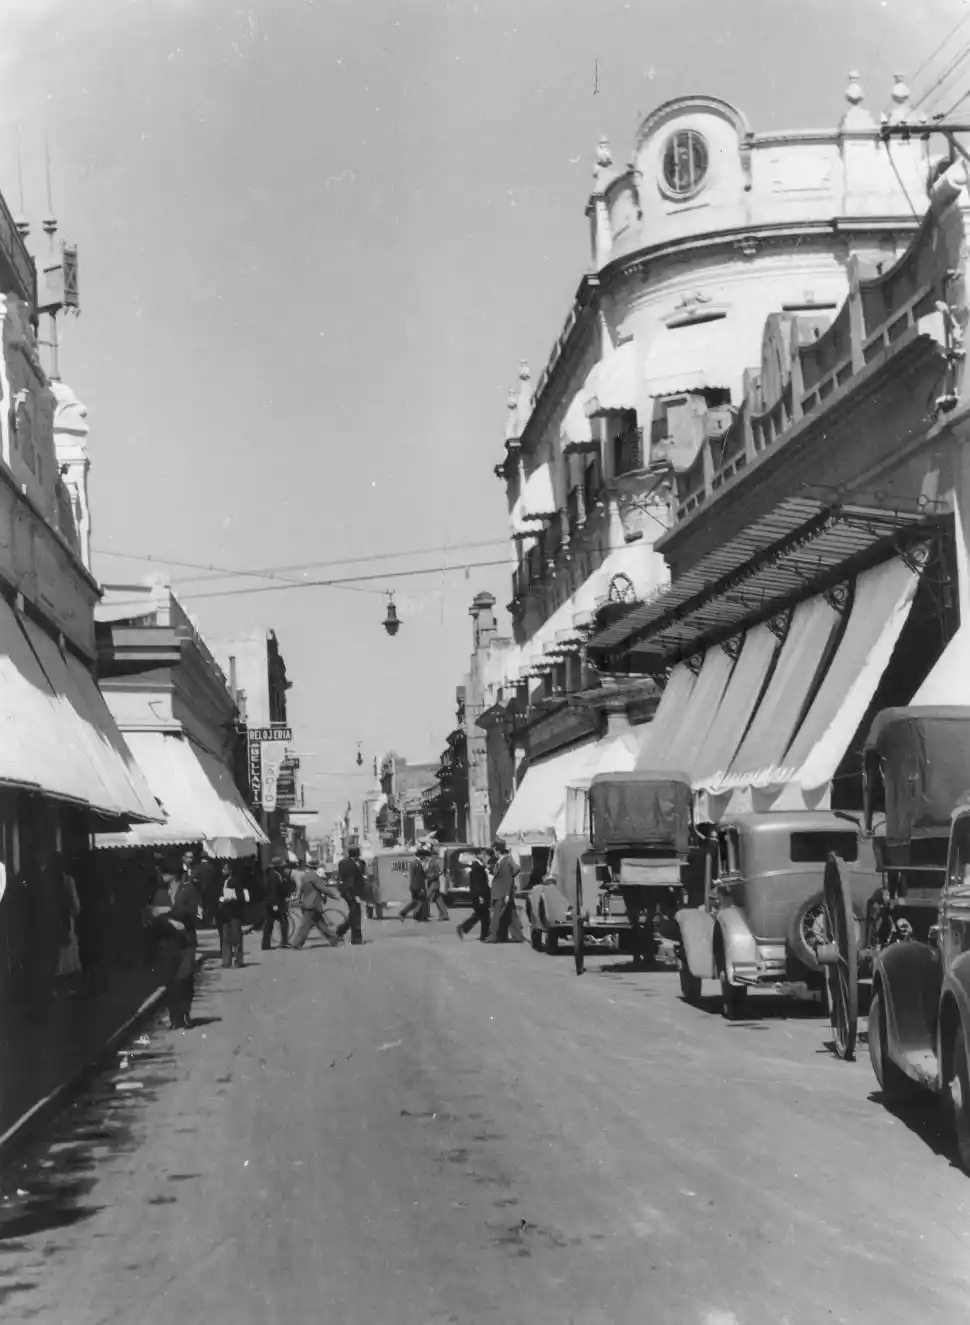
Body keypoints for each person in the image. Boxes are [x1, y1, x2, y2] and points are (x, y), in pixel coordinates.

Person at [147, 866, 201, 1029]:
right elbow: (153, 916)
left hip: (186, 942)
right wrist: (170, 921)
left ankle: (185, 1013)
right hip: (167, 942)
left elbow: (192, 911)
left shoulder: (188, 889)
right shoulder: (159, 893)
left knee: (185, 978)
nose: (162, 876)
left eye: (165, 872)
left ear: (173, 874)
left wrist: (168, 910)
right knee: (170, 981)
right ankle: (175, 1017)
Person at [291, 863, 341, 950]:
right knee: (307, 925)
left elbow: (301, 889)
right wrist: (334, 895)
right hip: (312, 903)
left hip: (308, 902)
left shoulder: (305, 876)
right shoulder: (314, 877)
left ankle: (333, 939)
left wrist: (297, 898)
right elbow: (323, 888)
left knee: (319, 924)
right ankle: (297, 943)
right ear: (315, 868)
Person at [486, 840, 525, 944]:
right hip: (503, 891)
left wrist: (507, 894)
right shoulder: (502, 860)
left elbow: (508, 878)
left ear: (498, 850)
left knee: (496, 915)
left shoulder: (505, 861)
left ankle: (492, 936)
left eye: (494, 849)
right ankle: (518, 936)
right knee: (511, 915)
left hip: (502, 892)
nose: (493, 852)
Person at [216, 862, 249, 968]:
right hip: (224, 913)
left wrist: (231, 898)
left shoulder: (236, 881)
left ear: (230, 870)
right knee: (225, 938)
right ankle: (226, 960)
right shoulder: (222, 881)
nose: (223, 870)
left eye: (225, 869)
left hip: (234, 912)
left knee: (236, 937)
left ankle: (238, 960)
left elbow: (242, 896)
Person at [457, 852, 491, 942]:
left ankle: (464, 927)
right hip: (480, 895)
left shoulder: (477, 867)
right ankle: (485, 936)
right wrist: (481, 896)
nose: (488, 860)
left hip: (479, 895)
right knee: (485, 917)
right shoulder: (478, 868)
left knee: (480, 915)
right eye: (487, 857)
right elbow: (478, 884)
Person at [335, 846, 365, 945]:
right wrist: (356, 895)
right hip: (351, 892)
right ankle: (356, 939)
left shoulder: (343, 862)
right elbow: (351, 881)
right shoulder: (352, 865)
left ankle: (340, 931)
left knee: (354, 913)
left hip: (345, 891)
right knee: (356, 914)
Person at [261, 856, 291, 950]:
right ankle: (282, 942)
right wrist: (274, 904)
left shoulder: (276, 874)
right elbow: (272, 891)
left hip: (276, 903)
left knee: (273, 923)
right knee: (276, 923)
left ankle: (271, 943)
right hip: (274, 904)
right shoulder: (273, 875)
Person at [399, 851, 428, 922]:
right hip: (417, 886)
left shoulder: (414, 863)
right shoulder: (417, 864)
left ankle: (405, 913)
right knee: (423, 901)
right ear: (420, 856)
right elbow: (419, 877)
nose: (425, 857)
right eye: (424, 856)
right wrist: (421, 888)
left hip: (413, 886)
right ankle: (421, 917)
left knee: (415, 902)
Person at [423, 848, 449, 922]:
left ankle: (424, 914)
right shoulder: (429, 862)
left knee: (426, 898)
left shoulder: (434, 863)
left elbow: (439, 873)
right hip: (431, 883)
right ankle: (444, 915)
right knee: (438, 899)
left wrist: (432, 876)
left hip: (434, 884)